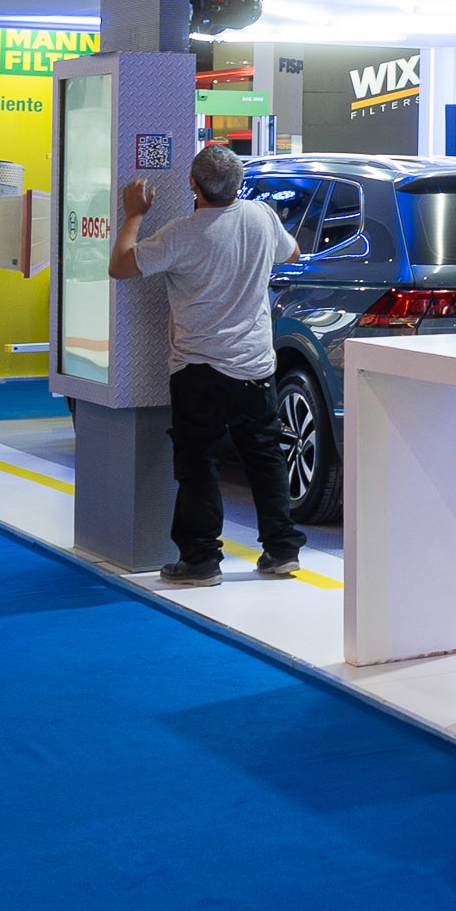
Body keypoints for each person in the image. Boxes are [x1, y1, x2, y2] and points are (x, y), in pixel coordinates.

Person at [109, 145, 299, 585]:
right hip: (255, 365)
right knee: (265, 456)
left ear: (193, 185)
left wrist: (134, 215)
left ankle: (200, 560)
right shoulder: (262, 217)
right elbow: (291, 254)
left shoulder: (181, 234)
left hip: (199, 368)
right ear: (239, 184)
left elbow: (120, 266)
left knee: (199, 463)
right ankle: (282, 549)